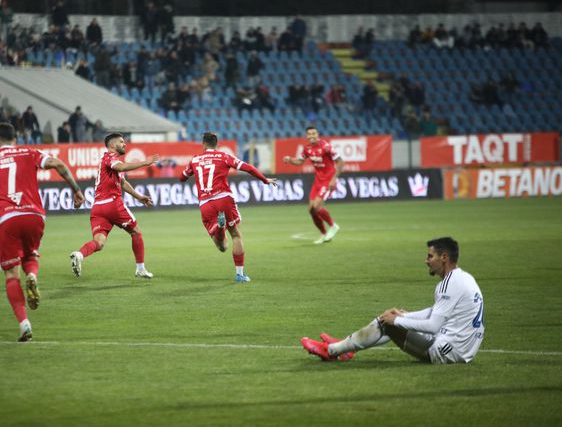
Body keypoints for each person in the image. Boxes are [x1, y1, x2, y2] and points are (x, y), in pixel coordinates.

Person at [0, 123, 84, 342]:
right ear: (15, 139)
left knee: (11, 274)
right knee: (30, 254)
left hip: (8, 219)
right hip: (35, 216)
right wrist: (76, 190)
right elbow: (58, 163)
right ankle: (32, 275)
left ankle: (24, 325)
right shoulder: (29, 153)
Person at [301, 237, 485, 364]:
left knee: (388, 324)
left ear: (444, 258)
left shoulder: (448, 284)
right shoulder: (463, 278)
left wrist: (396, 320)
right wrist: (404, 315)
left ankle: (333, 351)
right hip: (462, 349)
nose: (426, 261)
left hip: (448, 352)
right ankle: (344, 347)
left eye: (430, 256)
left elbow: (433, 326)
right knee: (392, 319)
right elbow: (434, 311)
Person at [179, 132, 277, 282]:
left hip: (205, 203)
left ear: (203, 144)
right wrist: (264, 180)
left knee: (221, 247)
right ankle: (239, 274)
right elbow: (248, 167)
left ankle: (219, 226)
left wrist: (191, 172)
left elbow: (182, 178)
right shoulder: (224, 156)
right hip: (223, 199)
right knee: (236, 235)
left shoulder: (195, 159)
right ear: (217, 144)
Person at [69, 133, 159, 279]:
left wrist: (139, 197)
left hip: (98, 207)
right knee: (136, 232)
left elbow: (122, 182)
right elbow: (122, 167)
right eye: (121, 142)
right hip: (112, 203)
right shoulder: (110, 157)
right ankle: (140, 269)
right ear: (112, 145)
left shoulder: (110, 162)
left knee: (99, 242)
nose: (125, 144)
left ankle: (79, 254)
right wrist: (144, 162)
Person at [282, 126, 343, 244]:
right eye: (309, 134)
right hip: (318, 181)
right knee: (311, 210)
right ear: (306, 136)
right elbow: (300, 161)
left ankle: (333, 226)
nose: (311, 136)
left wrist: (334, 178)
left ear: (318, 134)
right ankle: (324, 234)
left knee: (317, 206)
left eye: (313, 133)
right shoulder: (307, 148)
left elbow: (340, 161)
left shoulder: (326, 146)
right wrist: (290, 159)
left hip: (328, 180)